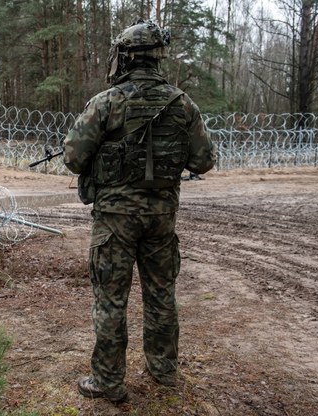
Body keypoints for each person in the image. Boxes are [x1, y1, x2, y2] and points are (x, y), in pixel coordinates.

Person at [63, 18, 216, 403]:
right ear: (157, 58)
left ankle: (108, 381)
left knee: (111, 298)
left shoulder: (106, 102)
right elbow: (204, 161)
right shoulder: (182, 103)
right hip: (162, 217)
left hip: (115, 220)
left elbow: (73, 157)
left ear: (126, 58)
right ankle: (164, 370)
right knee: (162, 293)